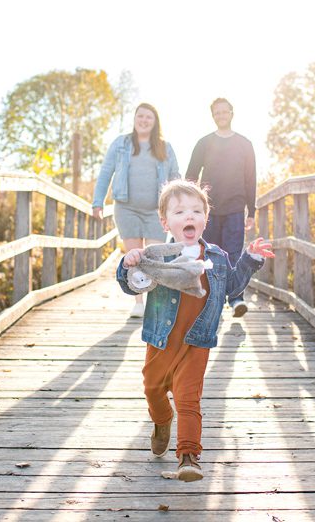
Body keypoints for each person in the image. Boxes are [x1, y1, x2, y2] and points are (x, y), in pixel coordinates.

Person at [116, 179, 274, 481]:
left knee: (189, 397)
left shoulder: (215, 257)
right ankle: (162, 421)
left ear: (205, 219)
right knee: (152, 388)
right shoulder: (156, 255)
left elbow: (232, 287)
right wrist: (128, 263)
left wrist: (249, 261)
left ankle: (189, 456)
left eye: (196, 211)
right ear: (165, 221)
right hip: (162, 339)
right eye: (179, 212)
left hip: (196, 341)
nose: (189, 216)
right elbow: (131, 283)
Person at [93, 103, 180, 318]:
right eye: (140, 116)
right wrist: (98, 202)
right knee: (135, 258)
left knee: (154, 258)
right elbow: (106, 172)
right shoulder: (121, 144)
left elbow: (176, 176)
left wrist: (180, 207)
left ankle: (155, 303)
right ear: (134, 119)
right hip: (126, 208)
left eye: (148, 117)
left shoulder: (165, 147)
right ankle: (138, 302)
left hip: (155, 211)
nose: (143, 120)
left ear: (154, 121)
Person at [185, 97, 257, 317]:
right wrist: (191, 207)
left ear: (232, 113)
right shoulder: (204, 143)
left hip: (235, 208)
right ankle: (211, 300)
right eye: (217, 112)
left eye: (225, 112)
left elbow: (251, 178)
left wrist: (251, 211)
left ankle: (236, 299)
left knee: (233, 254)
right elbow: (190, 175)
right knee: (209, 255)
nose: (221, 115)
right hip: (209, 210)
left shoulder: (244, 144)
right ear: (213, 115)